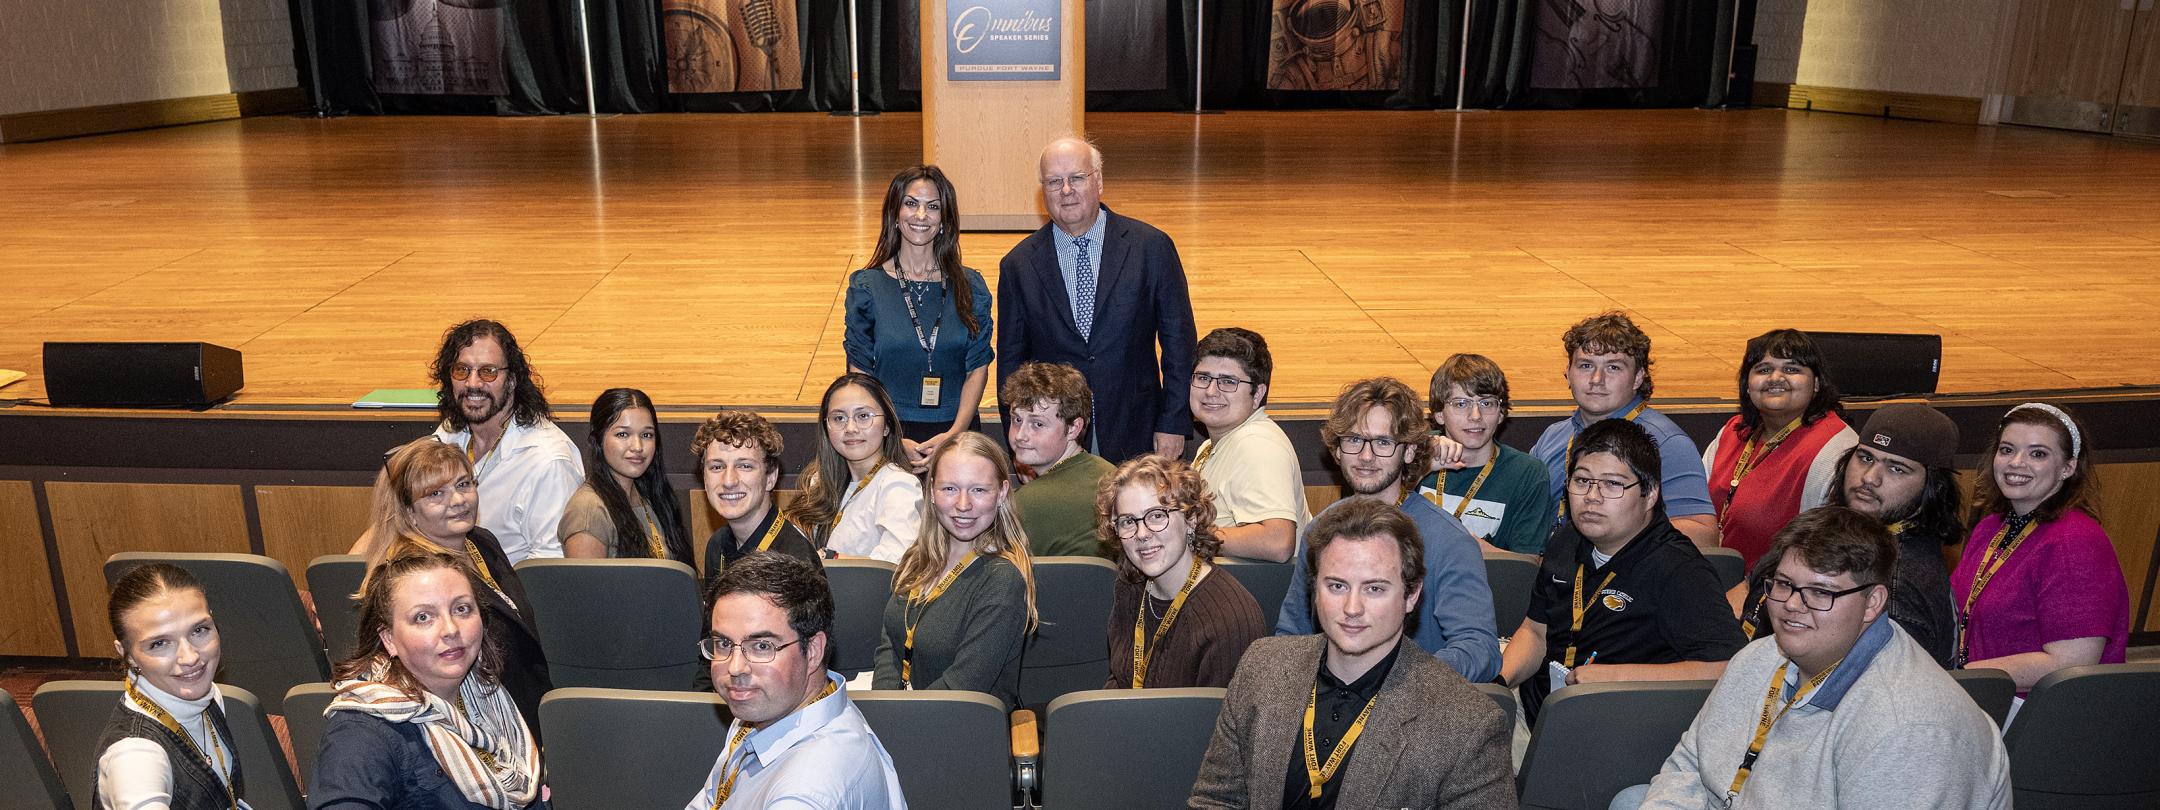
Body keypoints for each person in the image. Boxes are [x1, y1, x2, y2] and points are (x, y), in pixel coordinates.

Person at [1626, 507, 2011, 809]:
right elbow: (1689, 764)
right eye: (1785, 584)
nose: (1793, 605)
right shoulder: (1761, 656)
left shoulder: (1909, 730)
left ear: (1872, 602)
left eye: (1820, 593)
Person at [1189, 498, 1514, 810]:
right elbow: (1217, 801)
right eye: (1337, 586)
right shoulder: (1262, 666)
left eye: (1375, 588)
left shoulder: (1470, 724)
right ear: (1314, 590)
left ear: (1411, 595)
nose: (1352, 609)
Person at [1501, 419, 1746, 723]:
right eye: (1581, 481)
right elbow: (1535, 631)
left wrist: (1615, 678)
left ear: (1651, 494)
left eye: (1613, 484)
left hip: (1613, 723)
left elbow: (1728, 667)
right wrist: (1499, 683)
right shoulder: (1567, 539)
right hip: (1541, 710)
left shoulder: (1678, 568)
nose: (1592, 496)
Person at [1280, 377, 1501, 683]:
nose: (1366, 456)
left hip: (1416, 706)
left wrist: (1401, 681)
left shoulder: (1448, 540)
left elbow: (1480, 650)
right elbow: (1293, 635)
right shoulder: (1320, 531)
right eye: (1354, 440)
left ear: (1409, 452)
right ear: (1338, 450)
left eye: (1383, 442)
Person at [997, 136, 1197, 464]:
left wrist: (1174, 422)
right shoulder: (1018, 265)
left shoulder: (1151, 247)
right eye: (1054, 181)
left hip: (1140, 431)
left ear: (1099, 181)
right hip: (1056, 442)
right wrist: (1021, 443)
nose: (1066, 190)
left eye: (1077, 178)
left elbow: (1179, 345)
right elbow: (1012, 365)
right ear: (1042, 190)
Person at [311, 552, 544, 810]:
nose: (451, 629)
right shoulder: (361, 733)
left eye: (462, 609)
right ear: (389, 639)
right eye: (423, 617)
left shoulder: (489, 696)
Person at [1738, 403, 1963, 667]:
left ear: (1932, 488)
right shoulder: (1847, 534)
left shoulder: (1892, 583)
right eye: (1865, 458)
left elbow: (1872, 694)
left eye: (1897, 469)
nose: (1869, 478)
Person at [350, 438, 551, 731]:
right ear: (408, 512)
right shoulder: (415, 579)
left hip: (522, 713)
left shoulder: (480, 542)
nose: (458, 501)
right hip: (470, 727)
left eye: (464, 484)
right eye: (436, 493)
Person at [685, 553, 904, 809]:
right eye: (723, 643)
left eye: (762, 646)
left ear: (812, 651)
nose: (735, 668)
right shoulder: (768, 709)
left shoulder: (805, 795)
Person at [1953, 403, 2128, 690]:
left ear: (2068, 467)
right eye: (2007, 450)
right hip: (1984, 693)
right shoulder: (1991, 527)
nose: (2016, 463)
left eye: (2038, 454)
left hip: (2041, 711)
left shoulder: (2075, 542)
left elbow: (2071, 662)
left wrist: (1960, 673)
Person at [844, 165, 995, 470]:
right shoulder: (867, 286)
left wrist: (954, 435)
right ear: (895, 214)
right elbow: (860, 375)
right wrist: (891, 440)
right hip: (888, 436)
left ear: (944, 220)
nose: (921, 215)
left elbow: (977, 368)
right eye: (911, 204)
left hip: (957, 436)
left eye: (933, 206)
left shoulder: (971, 286)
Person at [871, 434, 1038, 708]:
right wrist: (884, 706)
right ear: (932, 491)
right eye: (949, 489)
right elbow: (891, 642)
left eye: (979, 490)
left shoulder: (1003, 580)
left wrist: (897, 718)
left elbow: (961, 688)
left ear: (1002, 493)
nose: (963, 505)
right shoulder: (918, 556)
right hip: (906, 714)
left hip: (957, 730)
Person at [1529, 312, 1716, 548]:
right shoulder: (1553, 436)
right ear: (1568, 373)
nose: (1597, 379)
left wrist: (1611, 539)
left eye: (1613, 367)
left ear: (1638, 377)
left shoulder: (1667, 443)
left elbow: (1703, 536)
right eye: (1586, 365)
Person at [1098, 455, 1267, 689]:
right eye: (1128, 521)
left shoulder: (1229, 621)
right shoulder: (1130, 585)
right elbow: (1120, 680)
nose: (1142, 533)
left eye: (1157, 516)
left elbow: (1219, 722)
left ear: (1191, 519)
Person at [426, 318, 583, 563]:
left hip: (507, 597)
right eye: (461, 370)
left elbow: (549, 572)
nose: (473, 383)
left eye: (488, 372)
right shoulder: (450, 434)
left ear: (512, 381)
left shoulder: (548, 461)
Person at [97, 564, 249, 810]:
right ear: (127, 655)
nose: (189, 658)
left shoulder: (208, 697)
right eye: (159, 644)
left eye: (199, 630)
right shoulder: (135, 757)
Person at [1702, 329, 1857, 569]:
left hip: (1778, 590)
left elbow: (1824, 550)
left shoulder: (1835, 447)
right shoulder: (1733, 431)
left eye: (1792, 369)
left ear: (1816, 384)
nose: (1775, 377)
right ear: (1746, 385)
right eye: (1763, 370)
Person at [1189, 327, 1308, 562]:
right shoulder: (1213, 444)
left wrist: (1190, 536)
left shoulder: (1256, 445)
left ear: (1257, 394)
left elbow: (1277, 542)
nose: (1211, 391)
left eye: (1228, 382)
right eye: (1203, 378)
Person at [1420, 353, 1555, 556]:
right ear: (1439, 414)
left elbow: (1528, 566)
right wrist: (1418, 469)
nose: (1475, 416)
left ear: (1501, 412)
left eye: (1487, 403)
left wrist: (1473, 550)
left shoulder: (1527, 474)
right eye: (1460, 404)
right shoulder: (1412, 455)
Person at [783, 374, 923, 563]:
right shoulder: (820, 480)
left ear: (886, 426)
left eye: (863, 416)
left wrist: (830, 558)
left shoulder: (898, 484)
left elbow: (894, 563)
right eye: (839, 418)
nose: (850, 427)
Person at [559, 388, 692, 565]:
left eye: (647, 435)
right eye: (623, 434)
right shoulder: (589, 509)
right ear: (597, 439)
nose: (637, 446)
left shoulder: (650, 494)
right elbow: (587, 591)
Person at [693, 410, 823, 586]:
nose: (729, 481)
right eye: (717, 467)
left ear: (770, 478)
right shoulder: (717, 546)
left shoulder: (795, 565)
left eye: (745, 466)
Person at [1004, 361, 1116, 558]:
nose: (1021, 435)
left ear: (1073, 428)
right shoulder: (1111, 474)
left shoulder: (1023, 504)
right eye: (1017, 420)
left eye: (1037, 424)